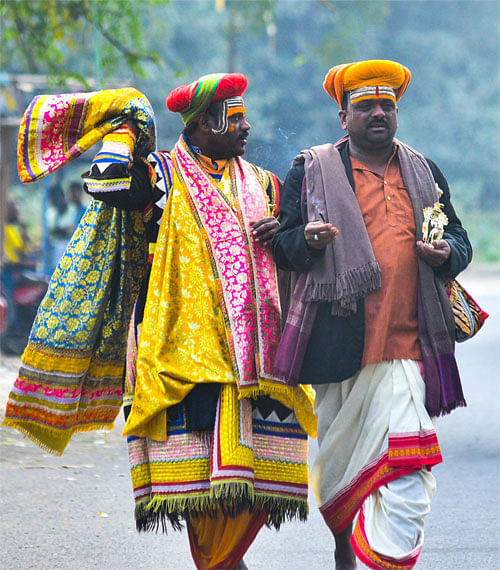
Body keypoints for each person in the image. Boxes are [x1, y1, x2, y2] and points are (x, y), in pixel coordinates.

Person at [80, 73, 316, 569]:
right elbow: (103, 181)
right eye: (236, 116)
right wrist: (127, 126)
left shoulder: (264, 184)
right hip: (179, 360)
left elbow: (293, 253)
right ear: (205, 122)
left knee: (251, 491)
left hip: (255, 362)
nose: (247, 126)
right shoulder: (160, 176)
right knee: (203, 496)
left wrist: (289, 235)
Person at [272, 60, 472, 569]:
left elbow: (460, 241)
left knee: (410, 470)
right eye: (365, 107)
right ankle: (345, 552)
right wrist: (309, 243)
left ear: (397, 113)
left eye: (388, 106)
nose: (378, 114)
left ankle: (388, 559)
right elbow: (285, 247)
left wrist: (444, 253)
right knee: (341, 469)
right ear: (343, 117)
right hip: (339, 349)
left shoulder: (425, 172)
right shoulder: (313, 169)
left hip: (408, 347)